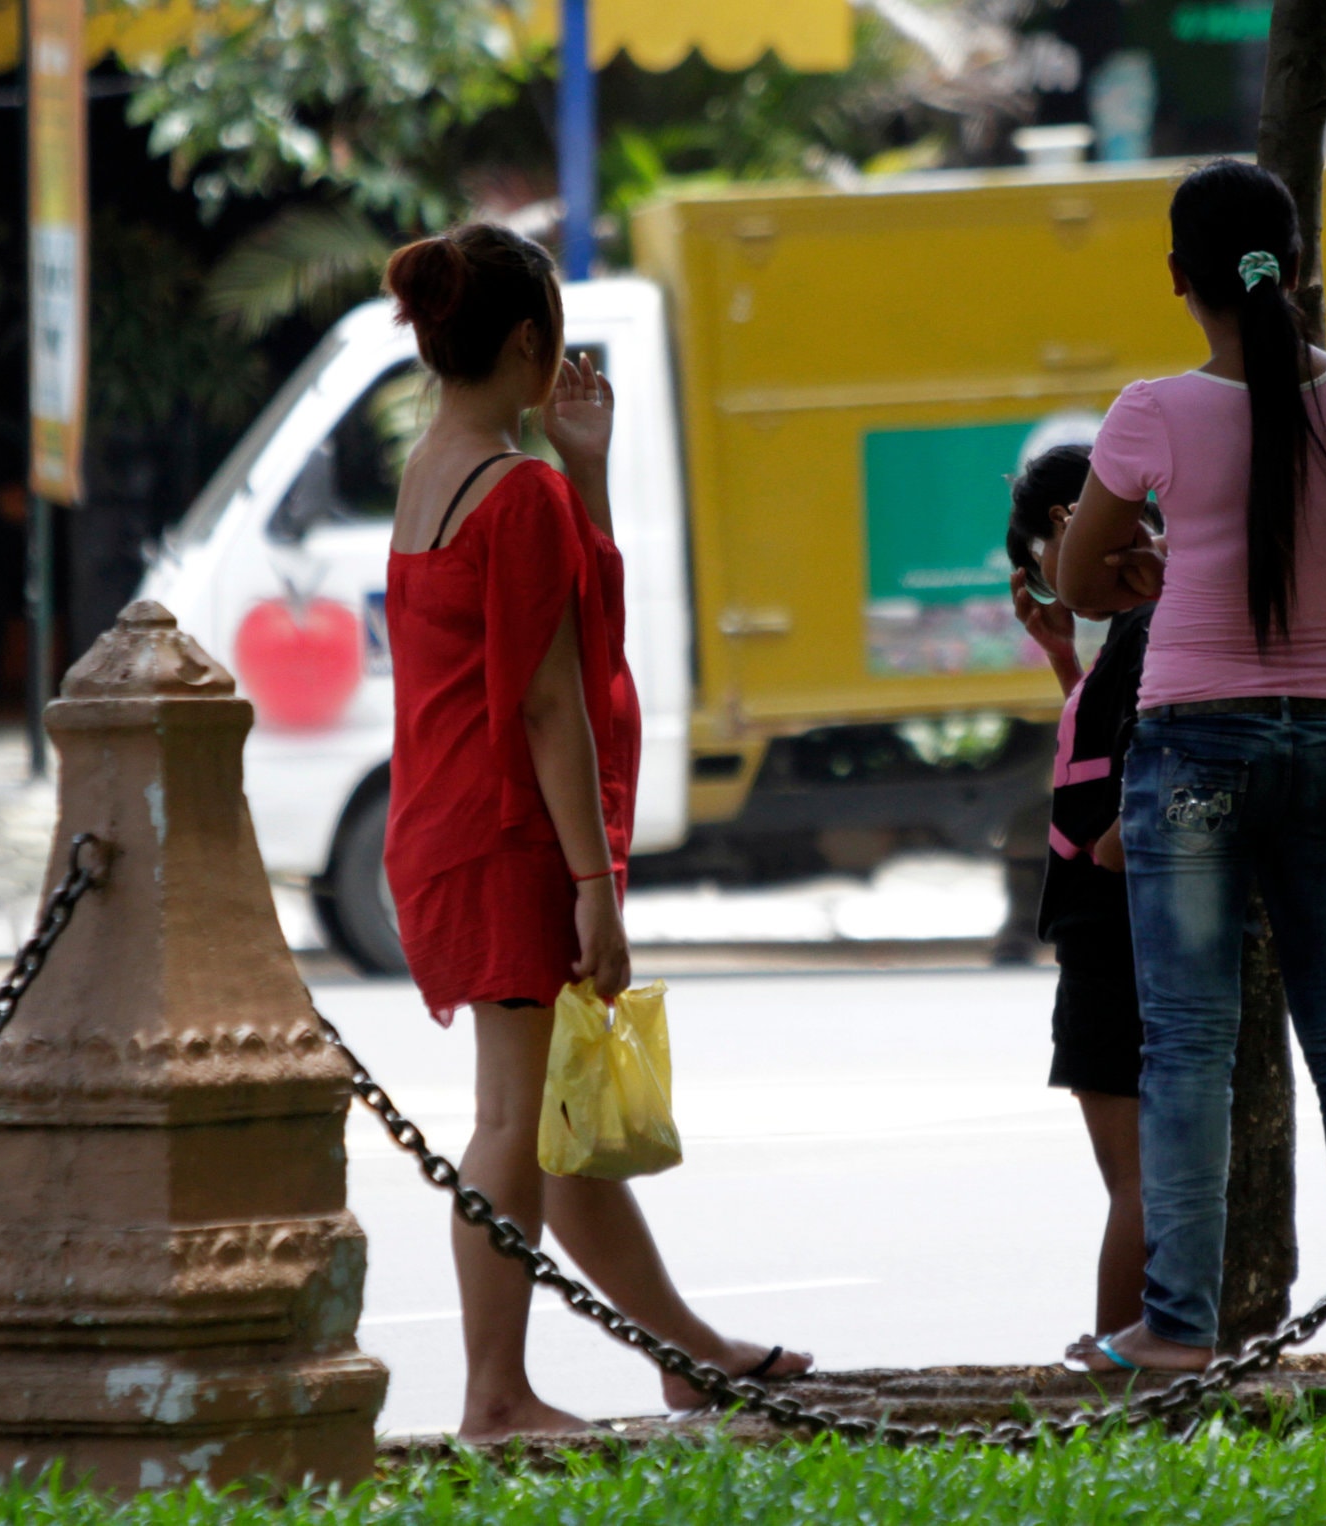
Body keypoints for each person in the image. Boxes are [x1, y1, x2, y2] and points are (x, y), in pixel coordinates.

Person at [380, 224, 810, 1442]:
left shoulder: (438, 468)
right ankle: (495, 1393)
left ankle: (687, 1350)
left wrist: (588, 467)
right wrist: (592, 885)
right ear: (527, 341)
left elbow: (558, 617)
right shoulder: (510, 492)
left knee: (556, 1121)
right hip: (510, 831)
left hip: (446, 822)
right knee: (519, 1119)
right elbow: (553, 696)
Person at [1055, 159, 1326, 1376]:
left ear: (1177, 278)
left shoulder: (1150, 410)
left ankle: (1176, 1327)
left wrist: (1151, 563)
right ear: (1297, 263)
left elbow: (1071, 577)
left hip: (1193, 748)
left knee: (1189, 1045)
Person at [1005, 441, 1152, 1336]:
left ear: (1073, 527)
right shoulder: (1132, 644)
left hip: (1111, 941)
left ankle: (1119, 1372)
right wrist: (1066, 661)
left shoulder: (1147, 643)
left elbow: (1123, 801)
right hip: (1110, 939)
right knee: (1143, 1181)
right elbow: (1098, 759)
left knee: (1136, 1184)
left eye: (1038, 559)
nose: (1045, 582)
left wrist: (1108, 847)